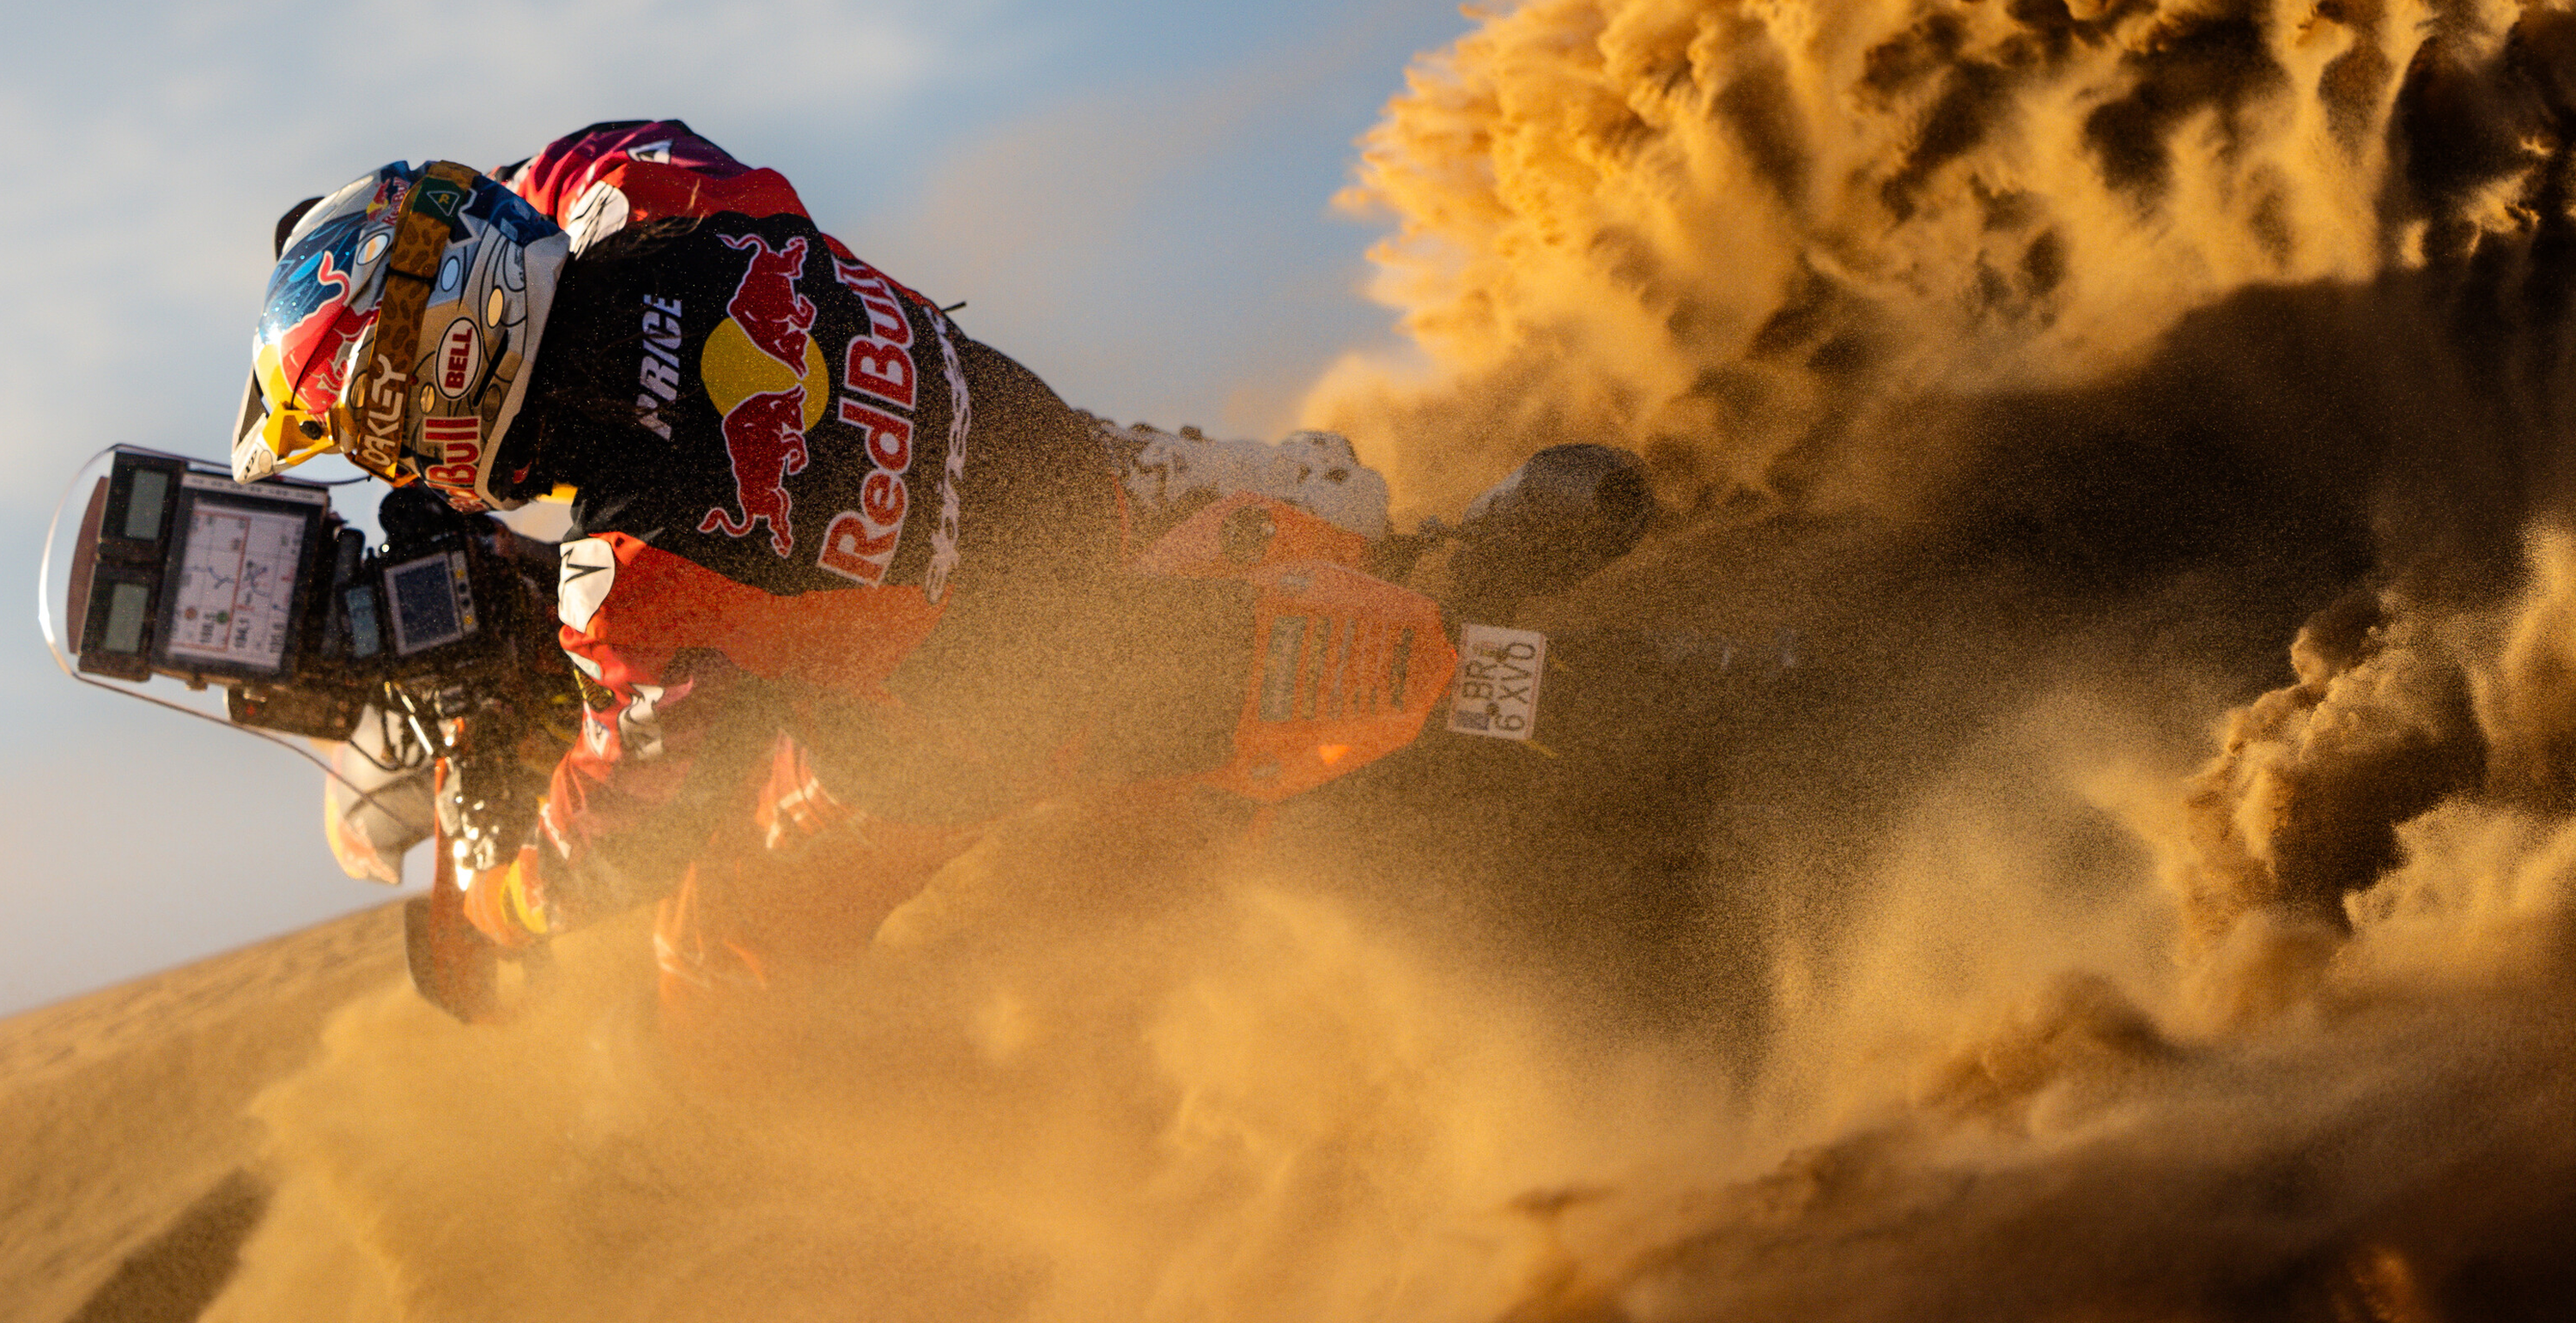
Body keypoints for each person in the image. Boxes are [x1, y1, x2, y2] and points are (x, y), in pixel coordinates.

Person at [235, 121, 1412, 1007]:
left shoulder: (631, 577)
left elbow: (633, 819)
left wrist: (502, 905)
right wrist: (398, 248)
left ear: (439, 406)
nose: (396, 468)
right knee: (1349, 503)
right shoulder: (655, 188)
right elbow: (539, 182)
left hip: (992, 719)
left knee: (710, 957)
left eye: (375, 435)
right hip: (1081, 474)